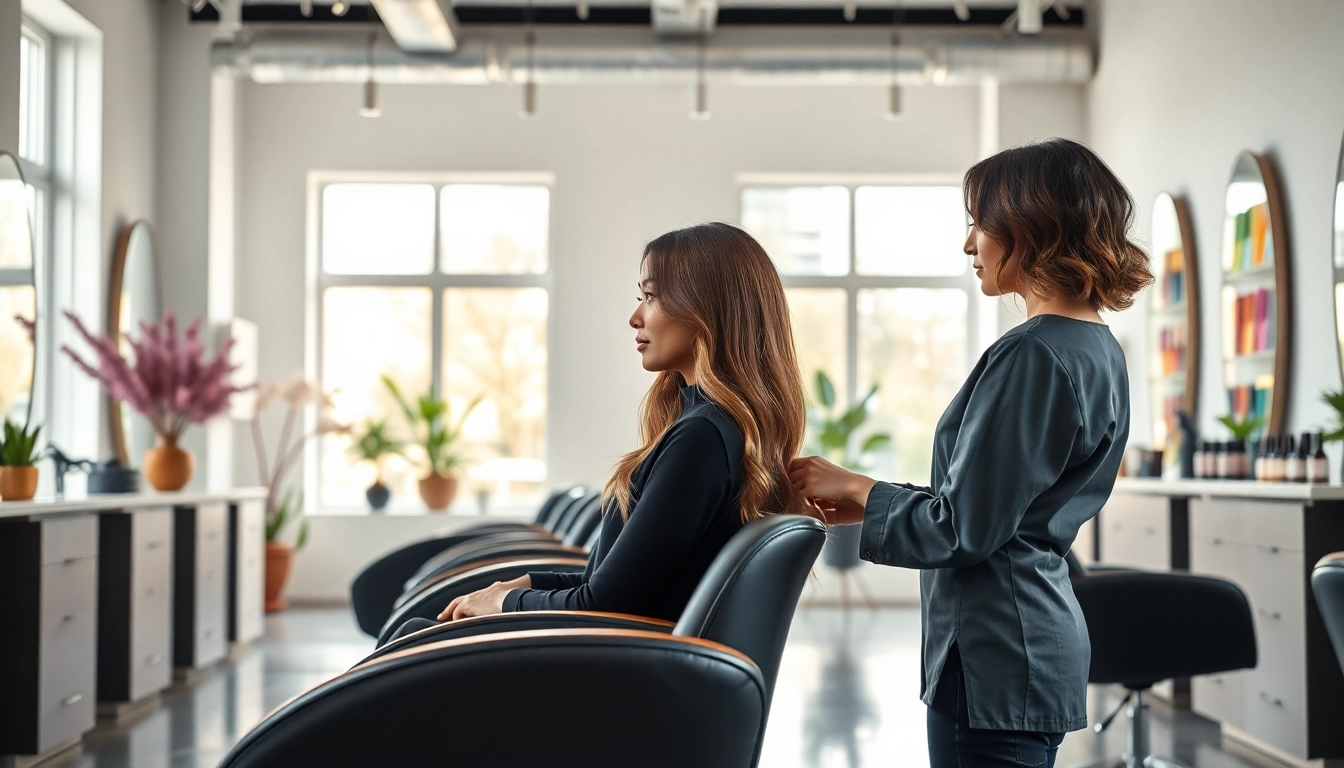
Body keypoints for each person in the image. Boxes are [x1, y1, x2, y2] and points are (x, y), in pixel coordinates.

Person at [789, 138, 1153, 768]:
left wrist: (860, 489)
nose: (968, 245)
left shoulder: (1033, 354)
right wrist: (864, 499)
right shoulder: (1100, 349)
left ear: (1029, 227)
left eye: (978, 225)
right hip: (1030, 642)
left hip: (994, 654)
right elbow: (996, 508)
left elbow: (964, 529)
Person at [386, 222, 810, 645]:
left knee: (412, 639)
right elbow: (615, 579)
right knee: (415, 637)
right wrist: (522, 583)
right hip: (621, 653)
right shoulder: (715, 430)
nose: (635, 316)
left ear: (704, 308)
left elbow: (606, 600)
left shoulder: (701, 439)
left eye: (651, 296)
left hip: (616, 665)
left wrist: (507, 602)